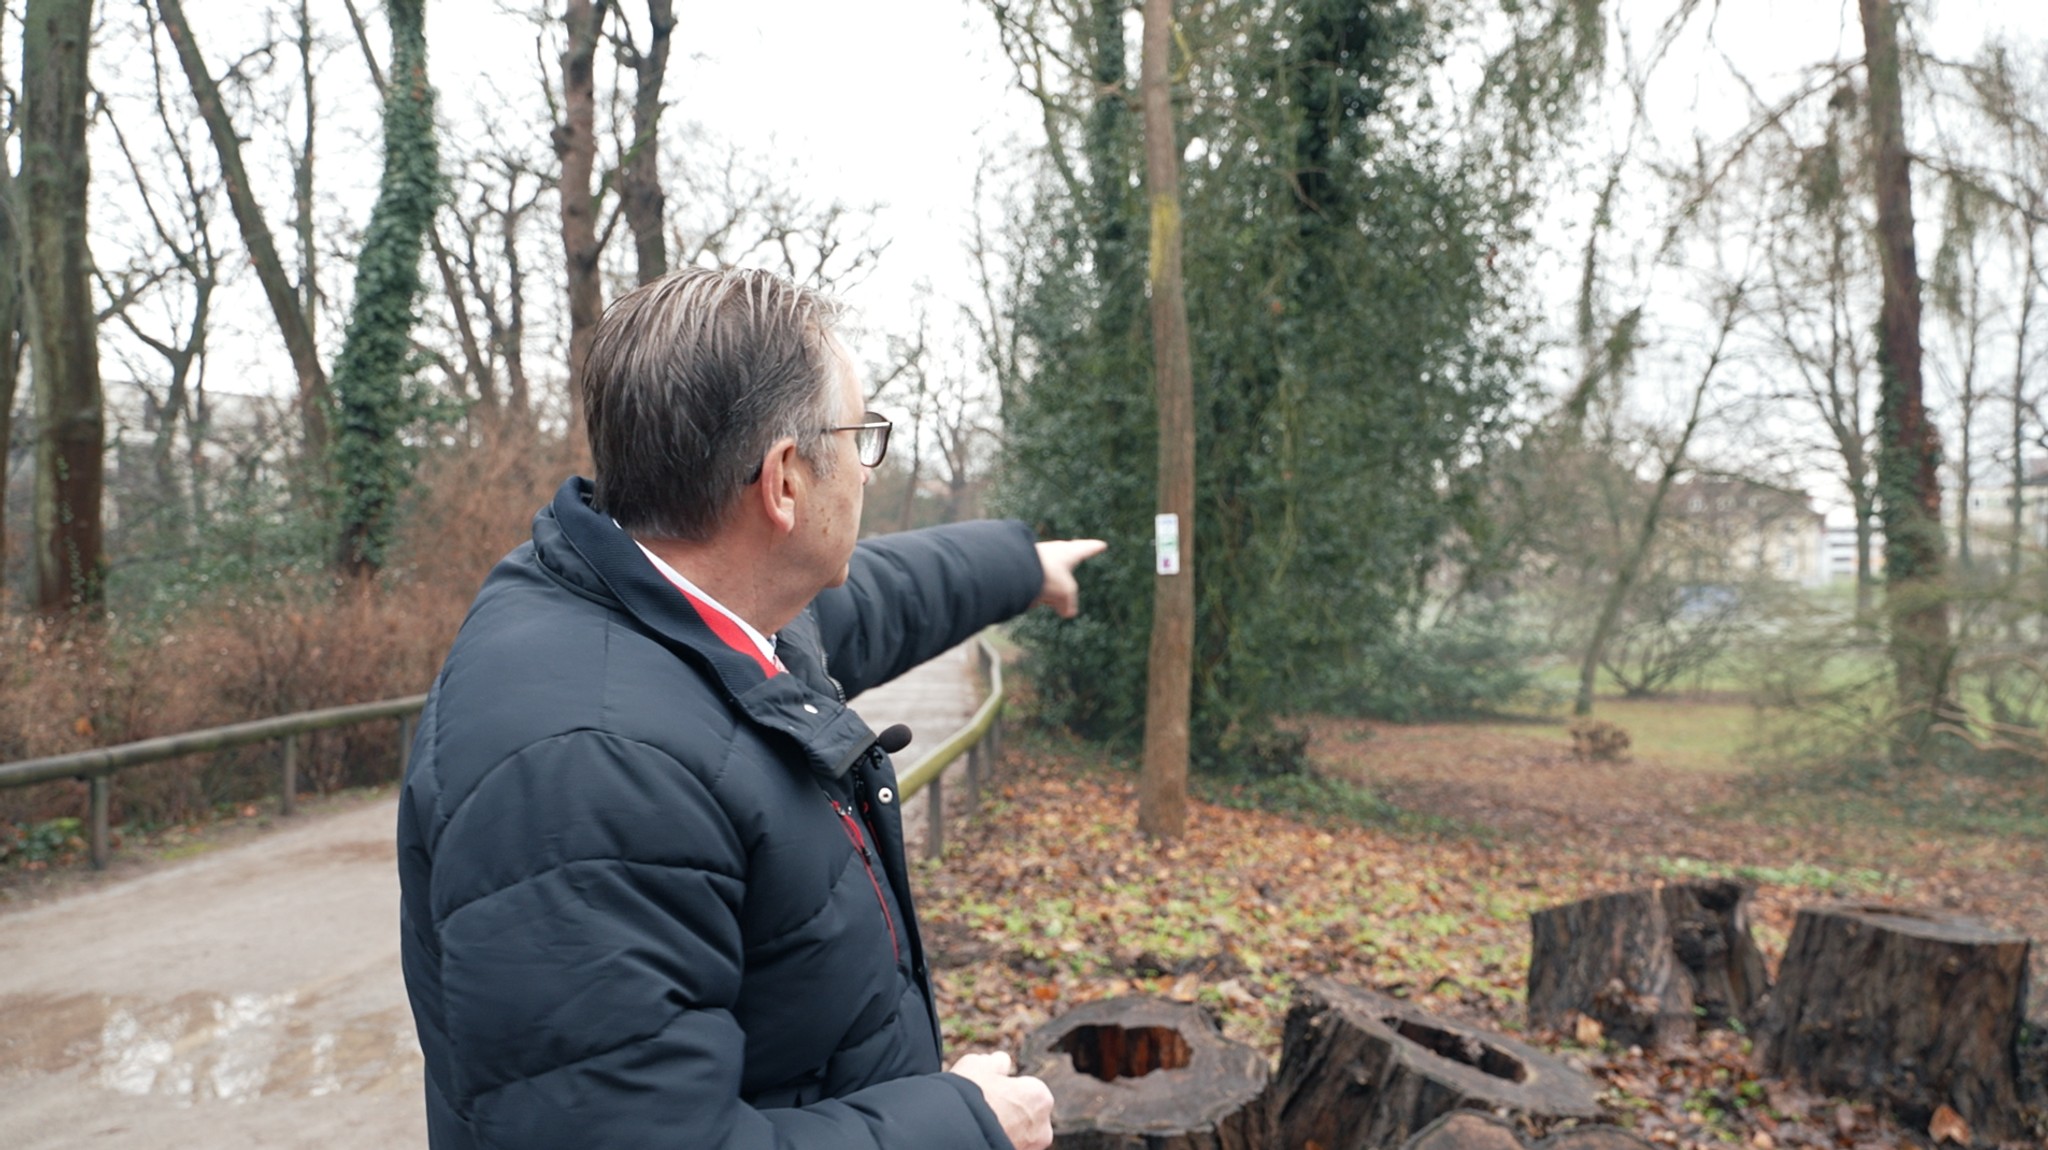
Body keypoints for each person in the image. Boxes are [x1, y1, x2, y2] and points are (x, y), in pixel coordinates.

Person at [397, 266, 1102, 1150]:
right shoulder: (590, 772)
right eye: (861, 436)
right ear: (784, 484)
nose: (867, 468)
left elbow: (875, 597)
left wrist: (1020, 565)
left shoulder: (686, 601)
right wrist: (964, 1123)